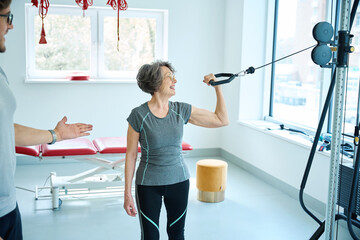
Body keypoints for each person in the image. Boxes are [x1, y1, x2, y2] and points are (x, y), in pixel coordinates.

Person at [0, 1, 93, 239]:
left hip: (8, 206)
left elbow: (6, 130)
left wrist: (56, 135)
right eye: (7, 17)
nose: (11, 26)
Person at [124, 60, 229, 240]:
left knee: (176, 234)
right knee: (149, 236)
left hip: (179, 182)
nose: (175, 81)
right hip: (148, 184)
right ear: (155, 82)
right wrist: (127, 193)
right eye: (169, 77)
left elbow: (221, 119)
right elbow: (131, 155)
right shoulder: (138, 115)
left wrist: (217, 88)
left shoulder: (181, 110)